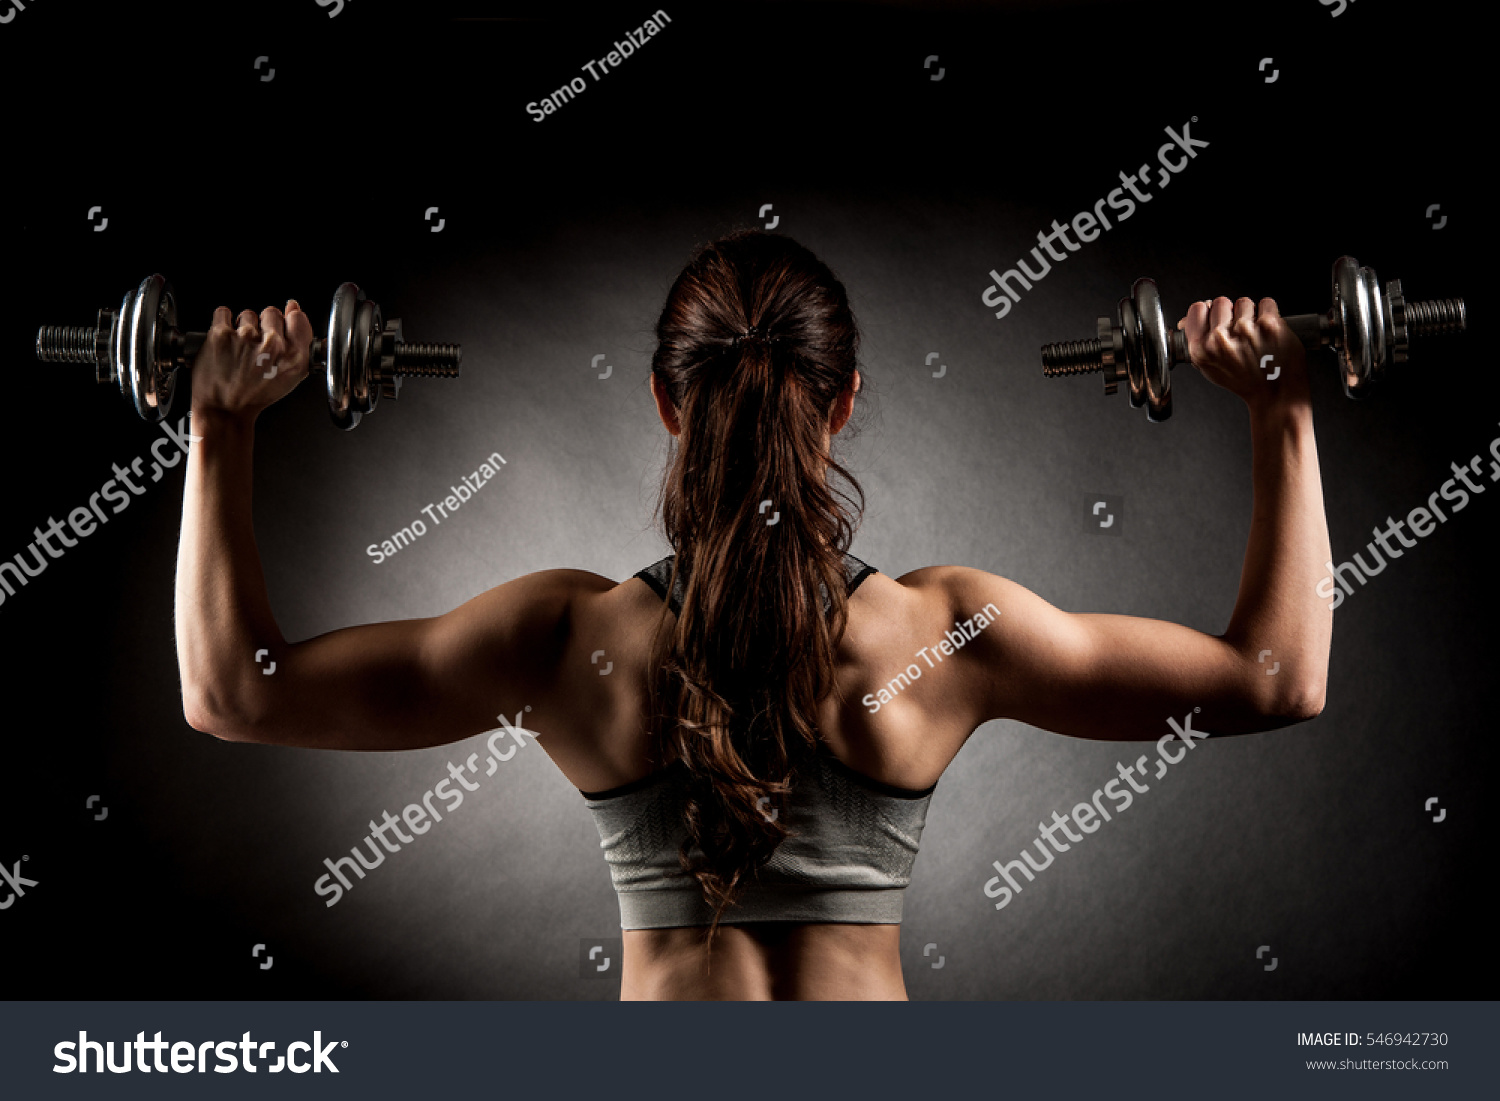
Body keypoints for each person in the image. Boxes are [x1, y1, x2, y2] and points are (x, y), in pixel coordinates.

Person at [176, 230, 1331, 1000]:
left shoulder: (564, 643)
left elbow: (232, 693)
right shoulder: (946, 634)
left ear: (667, 403)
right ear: (843, 404)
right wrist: (1280, 413)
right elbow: (1279, 679)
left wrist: (219, 427)